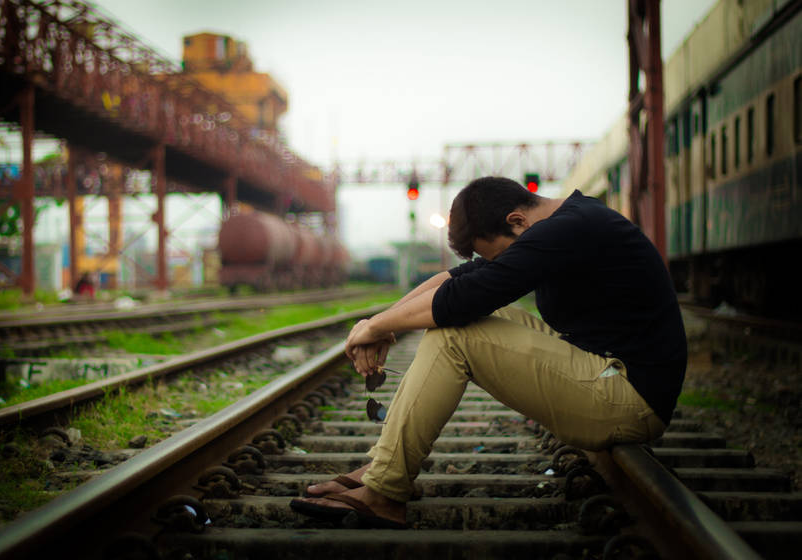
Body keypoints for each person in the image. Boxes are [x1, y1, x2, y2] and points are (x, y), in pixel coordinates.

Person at [290, 176, 687, 528]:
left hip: (628, 398)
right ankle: (385, 467)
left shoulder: (569, 228)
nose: (499, 265)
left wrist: (375, 327)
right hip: (607, 373)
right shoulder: (568, 222)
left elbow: (468, 295)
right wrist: (380, 320)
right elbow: (459, 277)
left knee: (454, 334)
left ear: (517, 221)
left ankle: (384, 491)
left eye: (498, 256)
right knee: (469, 315)